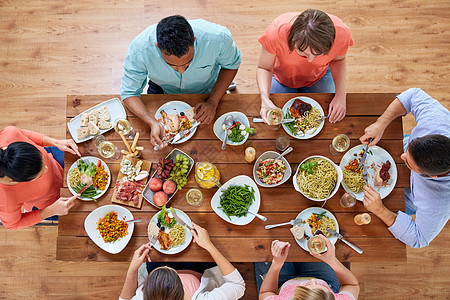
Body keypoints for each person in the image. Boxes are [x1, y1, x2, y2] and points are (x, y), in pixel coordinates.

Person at [120, 15, 241, 148]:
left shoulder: (218, 38)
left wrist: (213, 101)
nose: (182, 71)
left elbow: (231, 65)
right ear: (157, 47)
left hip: (208, 88)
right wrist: (152, 122)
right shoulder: (139, 50)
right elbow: (129, 93)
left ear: (194, 40)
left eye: (188, 63)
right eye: (172, 65)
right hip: (162, 88)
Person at [359, 88, 450, 248]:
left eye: (407, 162)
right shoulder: (437, 122)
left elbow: (419, 239)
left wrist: (380, 210)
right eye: (407, 152)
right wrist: (381, 124)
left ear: (432, 176)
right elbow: (412, 95)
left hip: (409, 196)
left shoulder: (439, 203)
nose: (401, 157)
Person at [257, 9, 353, 124]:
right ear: (292, 39)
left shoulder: (342, 33)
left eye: (317, 54)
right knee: (276, 113)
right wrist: (264, 99)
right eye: (302, 52)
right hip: (281, 78)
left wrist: (341, 95)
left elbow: (339, 60)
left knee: (327, 111)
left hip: (319, 76)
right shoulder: (276, 32)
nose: (310, 60)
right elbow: (264, 68)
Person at [119, 223, 245, 300]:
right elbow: (238, 285)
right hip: (201, 272)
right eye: (171, 271)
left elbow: (124, 299)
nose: (167, 266)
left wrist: (132, 271)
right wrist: (209, 245)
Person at [0, 126, 81, 230]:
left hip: (55, 160)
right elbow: (13, 225)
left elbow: (26, 134)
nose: (46, 168)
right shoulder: (5, 200)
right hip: (49, 201)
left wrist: (55, 142)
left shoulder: (10, 134)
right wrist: (52, 210)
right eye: (40, 174)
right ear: (14, 181)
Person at [256, 238, 359, 300]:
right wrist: (332, 261)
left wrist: (277, 264)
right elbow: (351, 285)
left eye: (308, 285)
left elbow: (266, 293)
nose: (313, 281)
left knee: (264, 243)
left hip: (280, 284)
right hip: (324, 277)